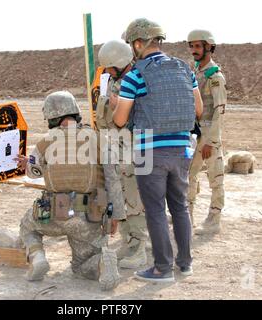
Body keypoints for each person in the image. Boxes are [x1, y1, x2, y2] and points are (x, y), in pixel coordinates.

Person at [112, 18, 203, 282]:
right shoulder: (185, 69)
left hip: (149, 152)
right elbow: (198, 111)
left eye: (132, 44)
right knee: (180, 207)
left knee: (155, 210)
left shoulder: (135, 76)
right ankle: (185, 264)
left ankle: (162, 269)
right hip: (183, 149)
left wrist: (117, 102)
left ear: (139, 43)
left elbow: (119, 120)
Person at [15, 91, 126, 291]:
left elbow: (33, 172)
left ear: (51, 117)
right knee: (81, 266)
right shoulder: (100, 140)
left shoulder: (46, 141)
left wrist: (27, 163)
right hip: (89, 218)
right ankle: (102, 261)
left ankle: (38, 257)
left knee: (27, 227)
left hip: (54, 214)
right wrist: (116, 215)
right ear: (74, 112)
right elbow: (113, 180)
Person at [96, 40, 148, 269]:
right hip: (120, 147)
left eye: (108, 67)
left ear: (118, 63)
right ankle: (129, 243)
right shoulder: (118, 81)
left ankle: (139, 250)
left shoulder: (136, 80)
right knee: (123, 199)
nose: (106, 72)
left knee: (134, 200)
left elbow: (136, 116)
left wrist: (117, 106)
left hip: (135, 148)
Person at [187, 30, 227, 234]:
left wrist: (210, 141)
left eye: (198, 46)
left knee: (215, 177)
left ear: (209, 47)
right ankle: (188, 216)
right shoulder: (195, 73)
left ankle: (214, 219)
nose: (194, 50)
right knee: (189, 175)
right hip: (195, 135)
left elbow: (220, 111)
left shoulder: (215, 77)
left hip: (209, 135)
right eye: (191, 46)